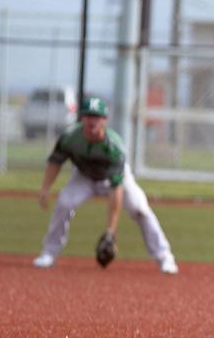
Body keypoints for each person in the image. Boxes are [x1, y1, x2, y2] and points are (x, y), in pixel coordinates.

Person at [32, 96, 179, 275]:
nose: (92, 120)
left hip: (114, 178)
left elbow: (116, 188)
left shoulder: (114, 146)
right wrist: (46, 188)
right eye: (88, 115)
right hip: (83, 177)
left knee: (140, 208)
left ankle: (165, 257)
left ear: (104, 120)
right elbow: (55, 161)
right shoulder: (71, 137)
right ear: (82, 118)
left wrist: (111, 231)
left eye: (97, 116)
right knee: (64, 203)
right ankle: (49, 253)